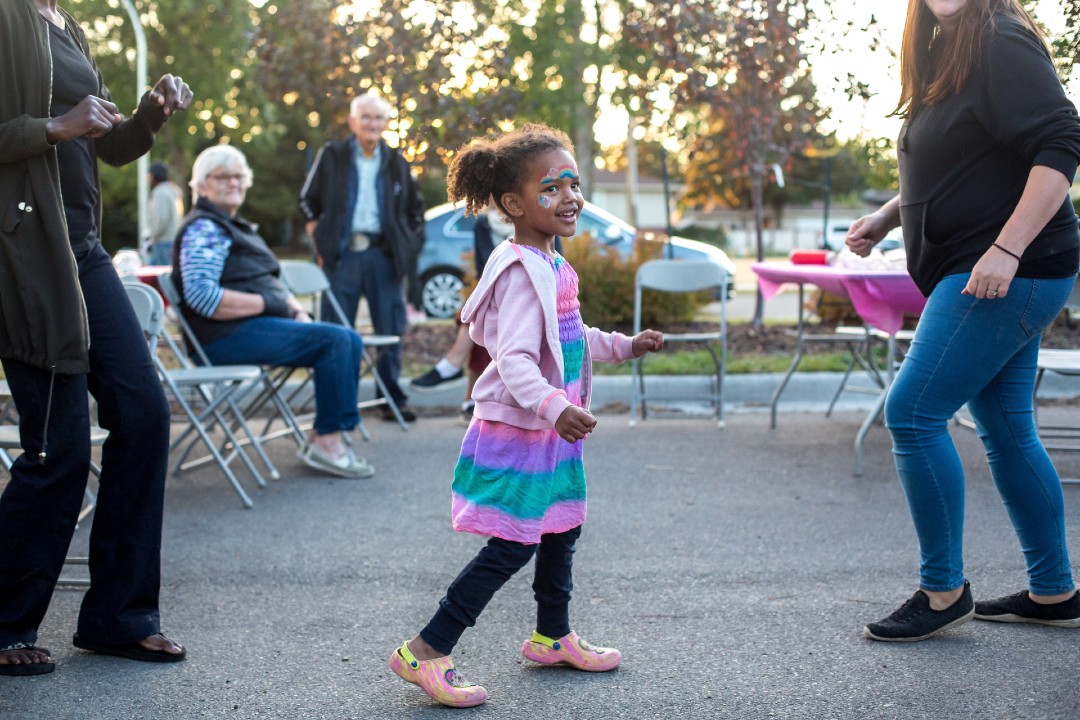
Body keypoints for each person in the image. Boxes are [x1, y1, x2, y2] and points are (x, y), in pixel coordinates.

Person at [387, 124, 664, 708]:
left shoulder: (554, 263)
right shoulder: (518, 269)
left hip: (553, 429)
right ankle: (426, 650)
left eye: (574, 184)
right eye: (551, 188)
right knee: (514, 543)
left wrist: (625, 345)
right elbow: (512, 358)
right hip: (523, 427)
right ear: (514, 204)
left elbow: (570, 336)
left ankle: (551, 636)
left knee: (562, 526)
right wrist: (556, 405)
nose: (570, 197)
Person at [849, 0, 1080, 643]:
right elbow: (964, 161)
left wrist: (1006, 251)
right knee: (1006, 430)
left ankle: (943, 589)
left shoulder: (1000, 37)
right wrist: (891, 215)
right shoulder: (949, 49)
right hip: (989, 268)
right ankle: (1054, 591)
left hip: (1006, 269)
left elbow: (1060, 144)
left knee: (913, 413)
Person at [0, 0, 192, 675]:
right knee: (59, 447)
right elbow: (57, 129)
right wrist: (52, 126)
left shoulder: (66, 25)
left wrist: (147, 115)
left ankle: (119, 615)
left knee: (142, 415)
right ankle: (4, 625)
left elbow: (107, 145)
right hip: (29, 256)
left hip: (84, 250)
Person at [174, 145, 373, 480]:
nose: (234, 183)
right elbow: (203, 298)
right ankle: (327, 441)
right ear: (201, 185)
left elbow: (270, 285)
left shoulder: (232, 225)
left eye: (239, 176)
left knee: (347, 338)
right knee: (336, 340)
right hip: (221, 338)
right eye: (223, 177)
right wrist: (270, 305)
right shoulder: (205, 228)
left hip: (255, 326)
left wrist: (292, 309)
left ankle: (327, 435)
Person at [299, 93, 426, 423]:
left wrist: (406, 246)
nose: (372, 124)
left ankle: (389, 400)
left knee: (390, 327)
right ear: (353, 121)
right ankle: (336, 402)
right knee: (336, 329)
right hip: (341, 257)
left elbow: (415, 211)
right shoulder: (333, 156)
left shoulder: (396, 161)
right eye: (365, 117)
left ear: (385, 123)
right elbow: (308, 202)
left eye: (378, 118)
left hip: (382, 256)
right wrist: (321, 245)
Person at [410, 205, 515, 422]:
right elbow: (485, 269)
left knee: (480, 313)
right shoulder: (484, 224)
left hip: (530, 293)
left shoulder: (535, 220)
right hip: (497, 291)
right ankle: (470, 399)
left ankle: (455, 368)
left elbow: (551, 261)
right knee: (483, 315)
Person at [146, 161, 184, 265]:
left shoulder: (160, 193)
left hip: (163, 242)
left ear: (154, 175)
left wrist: (153, 235)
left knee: (158, 276)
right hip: (172, 239)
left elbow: (161, 219)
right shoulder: (172, 191)